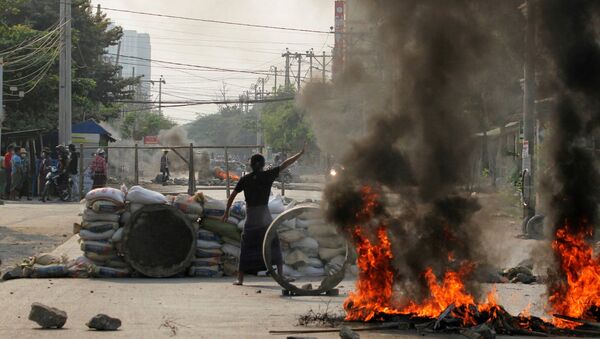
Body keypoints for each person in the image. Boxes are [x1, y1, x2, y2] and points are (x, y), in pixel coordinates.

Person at [223, 143, 306, 286]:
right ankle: (281, 276)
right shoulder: (268, 175)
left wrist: (226, 212)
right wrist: (299, 154)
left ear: (250, 165)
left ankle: (240, 279)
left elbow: (232, 196)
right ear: (263, 165)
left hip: (251, 217)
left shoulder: (245, 179)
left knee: (246, 247)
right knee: (273, 243)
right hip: (265, 217)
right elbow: (285, 164)